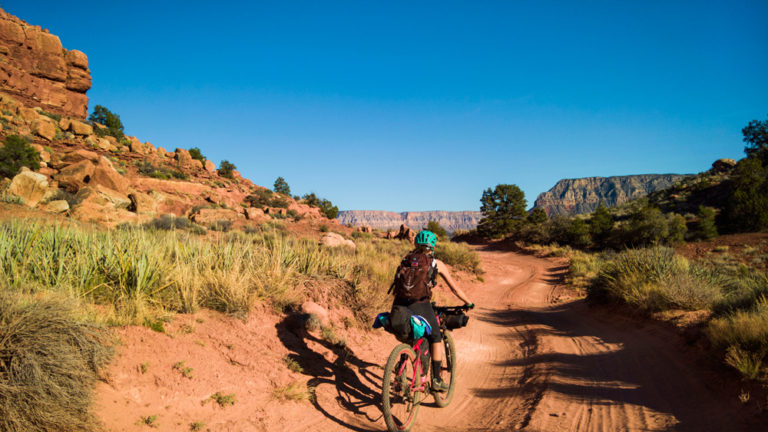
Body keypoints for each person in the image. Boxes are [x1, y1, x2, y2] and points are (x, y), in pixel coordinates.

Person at [390, 230, 473, 392]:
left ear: (416, 244)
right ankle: (436, 379)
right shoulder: (436, 263)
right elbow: (455, 289)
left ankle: (404, 361)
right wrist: (468, 303)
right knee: (435, 336)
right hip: (420, 304)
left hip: (399, 305)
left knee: (409, 333)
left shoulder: (405, 260)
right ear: (433, 246)